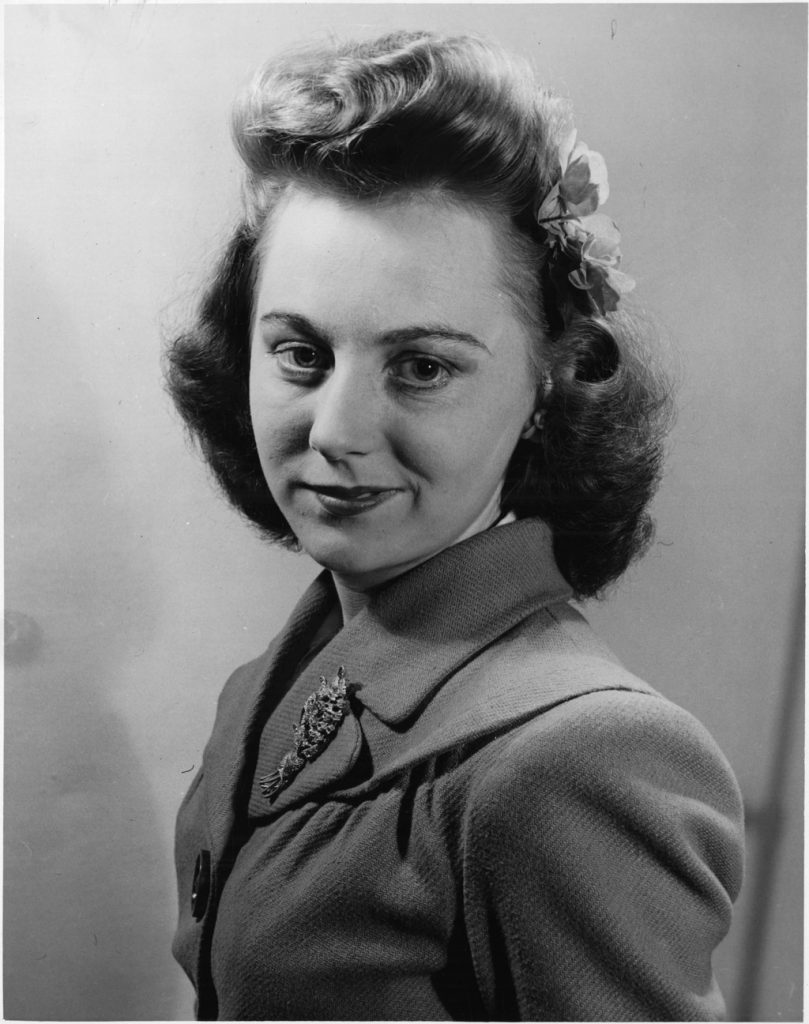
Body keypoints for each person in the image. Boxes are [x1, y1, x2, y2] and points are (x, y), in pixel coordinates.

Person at [166, 30, 744, 1021]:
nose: (337, 432)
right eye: (300, 354)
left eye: (421, 367)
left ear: (547, 380)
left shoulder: (579, 758)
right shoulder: (269, 684)